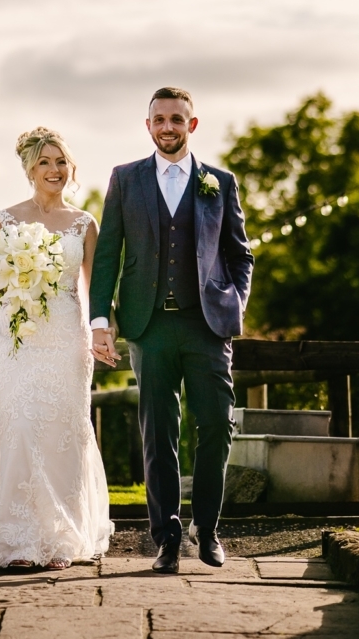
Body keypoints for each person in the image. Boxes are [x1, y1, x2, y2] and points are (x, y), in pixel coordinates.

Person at [89, 87, 254, 573]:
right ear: (148, 125)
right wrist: (102, 319)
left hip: (207, 327)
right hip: (149, 325)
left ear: (192, 125)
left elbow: (240, 254)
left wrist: (233, 304)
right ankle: (166, 536)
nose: (168, 127)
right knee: (158, 434)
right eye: (159, 119)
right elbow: (107, 257)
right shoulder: (125, 179)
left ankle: (208, 529)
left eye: (177, 119)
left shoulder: (219, 182)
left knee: (217, 427)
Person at [0, 128, 114, 570]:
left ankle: (61, 540)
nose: (54, 170)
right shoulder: (6, 219)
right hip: (18, 339)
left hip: (67, 339)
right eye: (44, 163)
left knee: (62, 432)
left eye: (61, 162)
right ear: (29, 170)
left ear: (71, 168)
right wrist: (15, 268)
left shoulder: (84, 223)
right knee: (19, 428)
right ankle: (19, 540)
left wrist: (101, 331)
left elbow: (96, 288)